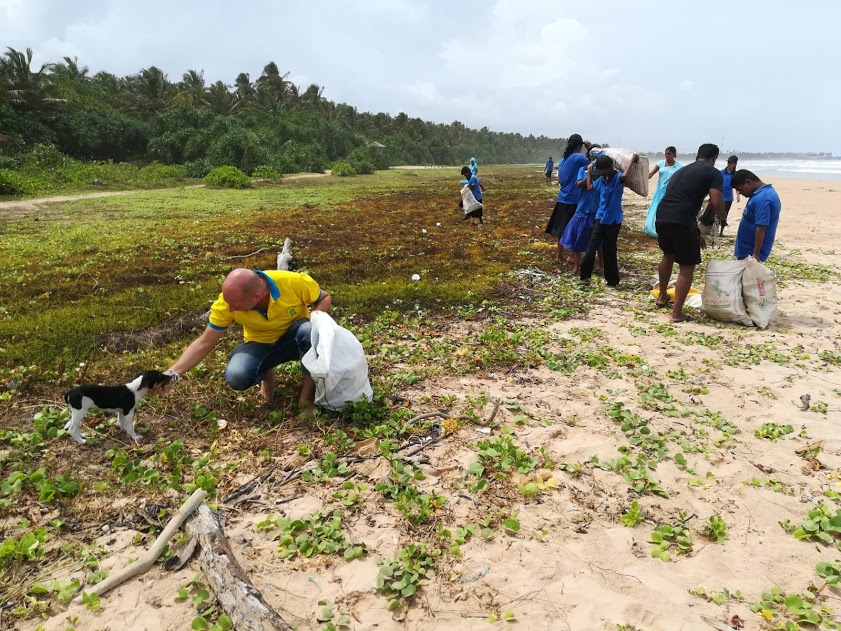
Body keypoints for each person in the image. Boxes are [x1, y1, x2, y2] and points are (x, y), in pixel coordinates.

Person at [165, 268, 332, 414]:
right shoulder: (227, 302)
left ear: (256, 296)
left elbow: (324, 297)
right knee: (237, 376)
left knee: (309, 330)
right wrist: (170, 374)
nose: (230, 308)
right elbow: (205, 342)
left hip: (295, 340)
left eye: (235, 306)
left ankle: (307, 396)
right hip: (260, 344)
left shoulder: (293, 282)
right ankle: (268, 379)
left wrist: (316, 319)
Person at [654, 143, 725, 323]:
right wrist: (722, 216)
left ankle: (662, 297)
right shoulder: (713, 173)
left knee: (668, 255)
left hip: (662, 217)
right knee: (687, 266)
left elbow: (681, 200)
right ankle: (676, 314)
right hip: (682, 220)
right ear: (714, 158)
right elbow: (716, 202)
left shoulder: (681, 171)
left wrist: (696, 234)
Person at [579, 153, 638, 286]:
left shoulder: (617, 179)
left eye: (604, 170)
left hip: (613, 220)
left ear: (610, 167)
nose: (603, 174)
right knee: (591, 246)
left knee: (609, 249)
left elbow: (624, 176)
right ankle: (585, 276)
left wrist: (632, 161)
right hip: (600, 218)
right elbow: (589, 187)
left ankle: (612, 280)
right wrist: (588, 172)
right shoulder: (601, 180)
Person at [545, 134, 592, 261]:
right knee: (575, 229)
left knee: (561, 229)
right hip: (574, 199)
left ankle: (559, 254)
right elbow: (594, 163)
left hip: (562, 198)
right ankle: (572, 255)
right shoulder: (578, 157)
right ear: (579, 146)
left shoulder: (563, 160)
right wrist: (590, 148)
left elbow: (560, 180)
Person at [560, 158, 601, 276]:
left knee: (599, 241)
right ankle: (577, 265)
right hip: (583, 209)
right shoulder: (582, 170)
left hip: (598, 210)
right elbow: (579, 184)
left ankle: (599, 264)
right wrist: (589, 174)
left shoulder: (604, 172)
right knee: (577, 238)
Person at [731, 170, 781, 262]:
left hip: (750, 254)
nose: (740, 193)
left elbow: (761, 227)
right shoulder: (758, 194)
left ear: (748, 182)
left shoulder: (763, 198)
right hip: (746, 251)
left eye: (740, 189)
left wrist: (756, 255)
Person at [644, 146, 682, 238]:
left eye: (669, 154)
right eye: (666, 154)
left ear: (674, 155)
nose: (667, 156)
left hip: (670, 192)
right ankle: (652, 228)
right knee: (656, 208)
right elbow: (650, 175)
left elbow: (681, 181)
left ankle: (666, 229)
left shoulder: (679, 167)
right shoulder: (660, 163)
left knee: (667, 210)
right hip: (659, 191)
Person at [699, 155, 740, 236]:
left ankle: (721, 232)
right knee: (713, 214)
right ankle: (711, 230)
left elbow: (737, 186)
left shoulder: (735, 175)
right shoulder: (721, 172)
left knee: (723, 215)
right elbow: (713, 183)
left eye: (731, 163)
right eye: (728, 162)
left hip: (728, 198)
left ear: (735, 164)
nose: (729, 164)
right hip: (718, 196)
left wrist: (738, 195)